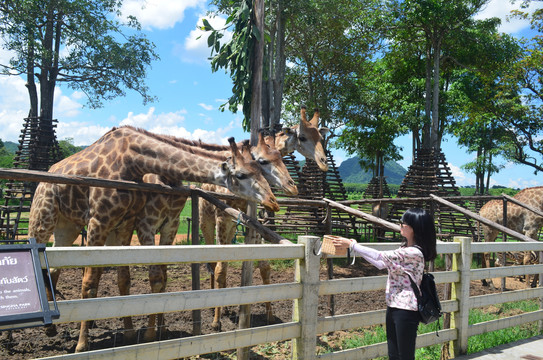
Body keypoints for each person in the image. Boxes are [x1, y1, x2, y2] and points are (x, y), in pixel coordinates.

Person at [332, 208, 437, 360]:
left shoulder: (414, 253)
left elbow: (379, 255)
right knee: (393, 354)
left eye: (403, 223)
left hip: (406, 309)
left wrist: (352, 245)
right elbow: (381, 263)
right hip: (394, 306)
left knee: (405, 356)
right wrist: (356, 247)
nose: (400, 225)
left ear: (415, 228)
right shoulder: (404, 249)